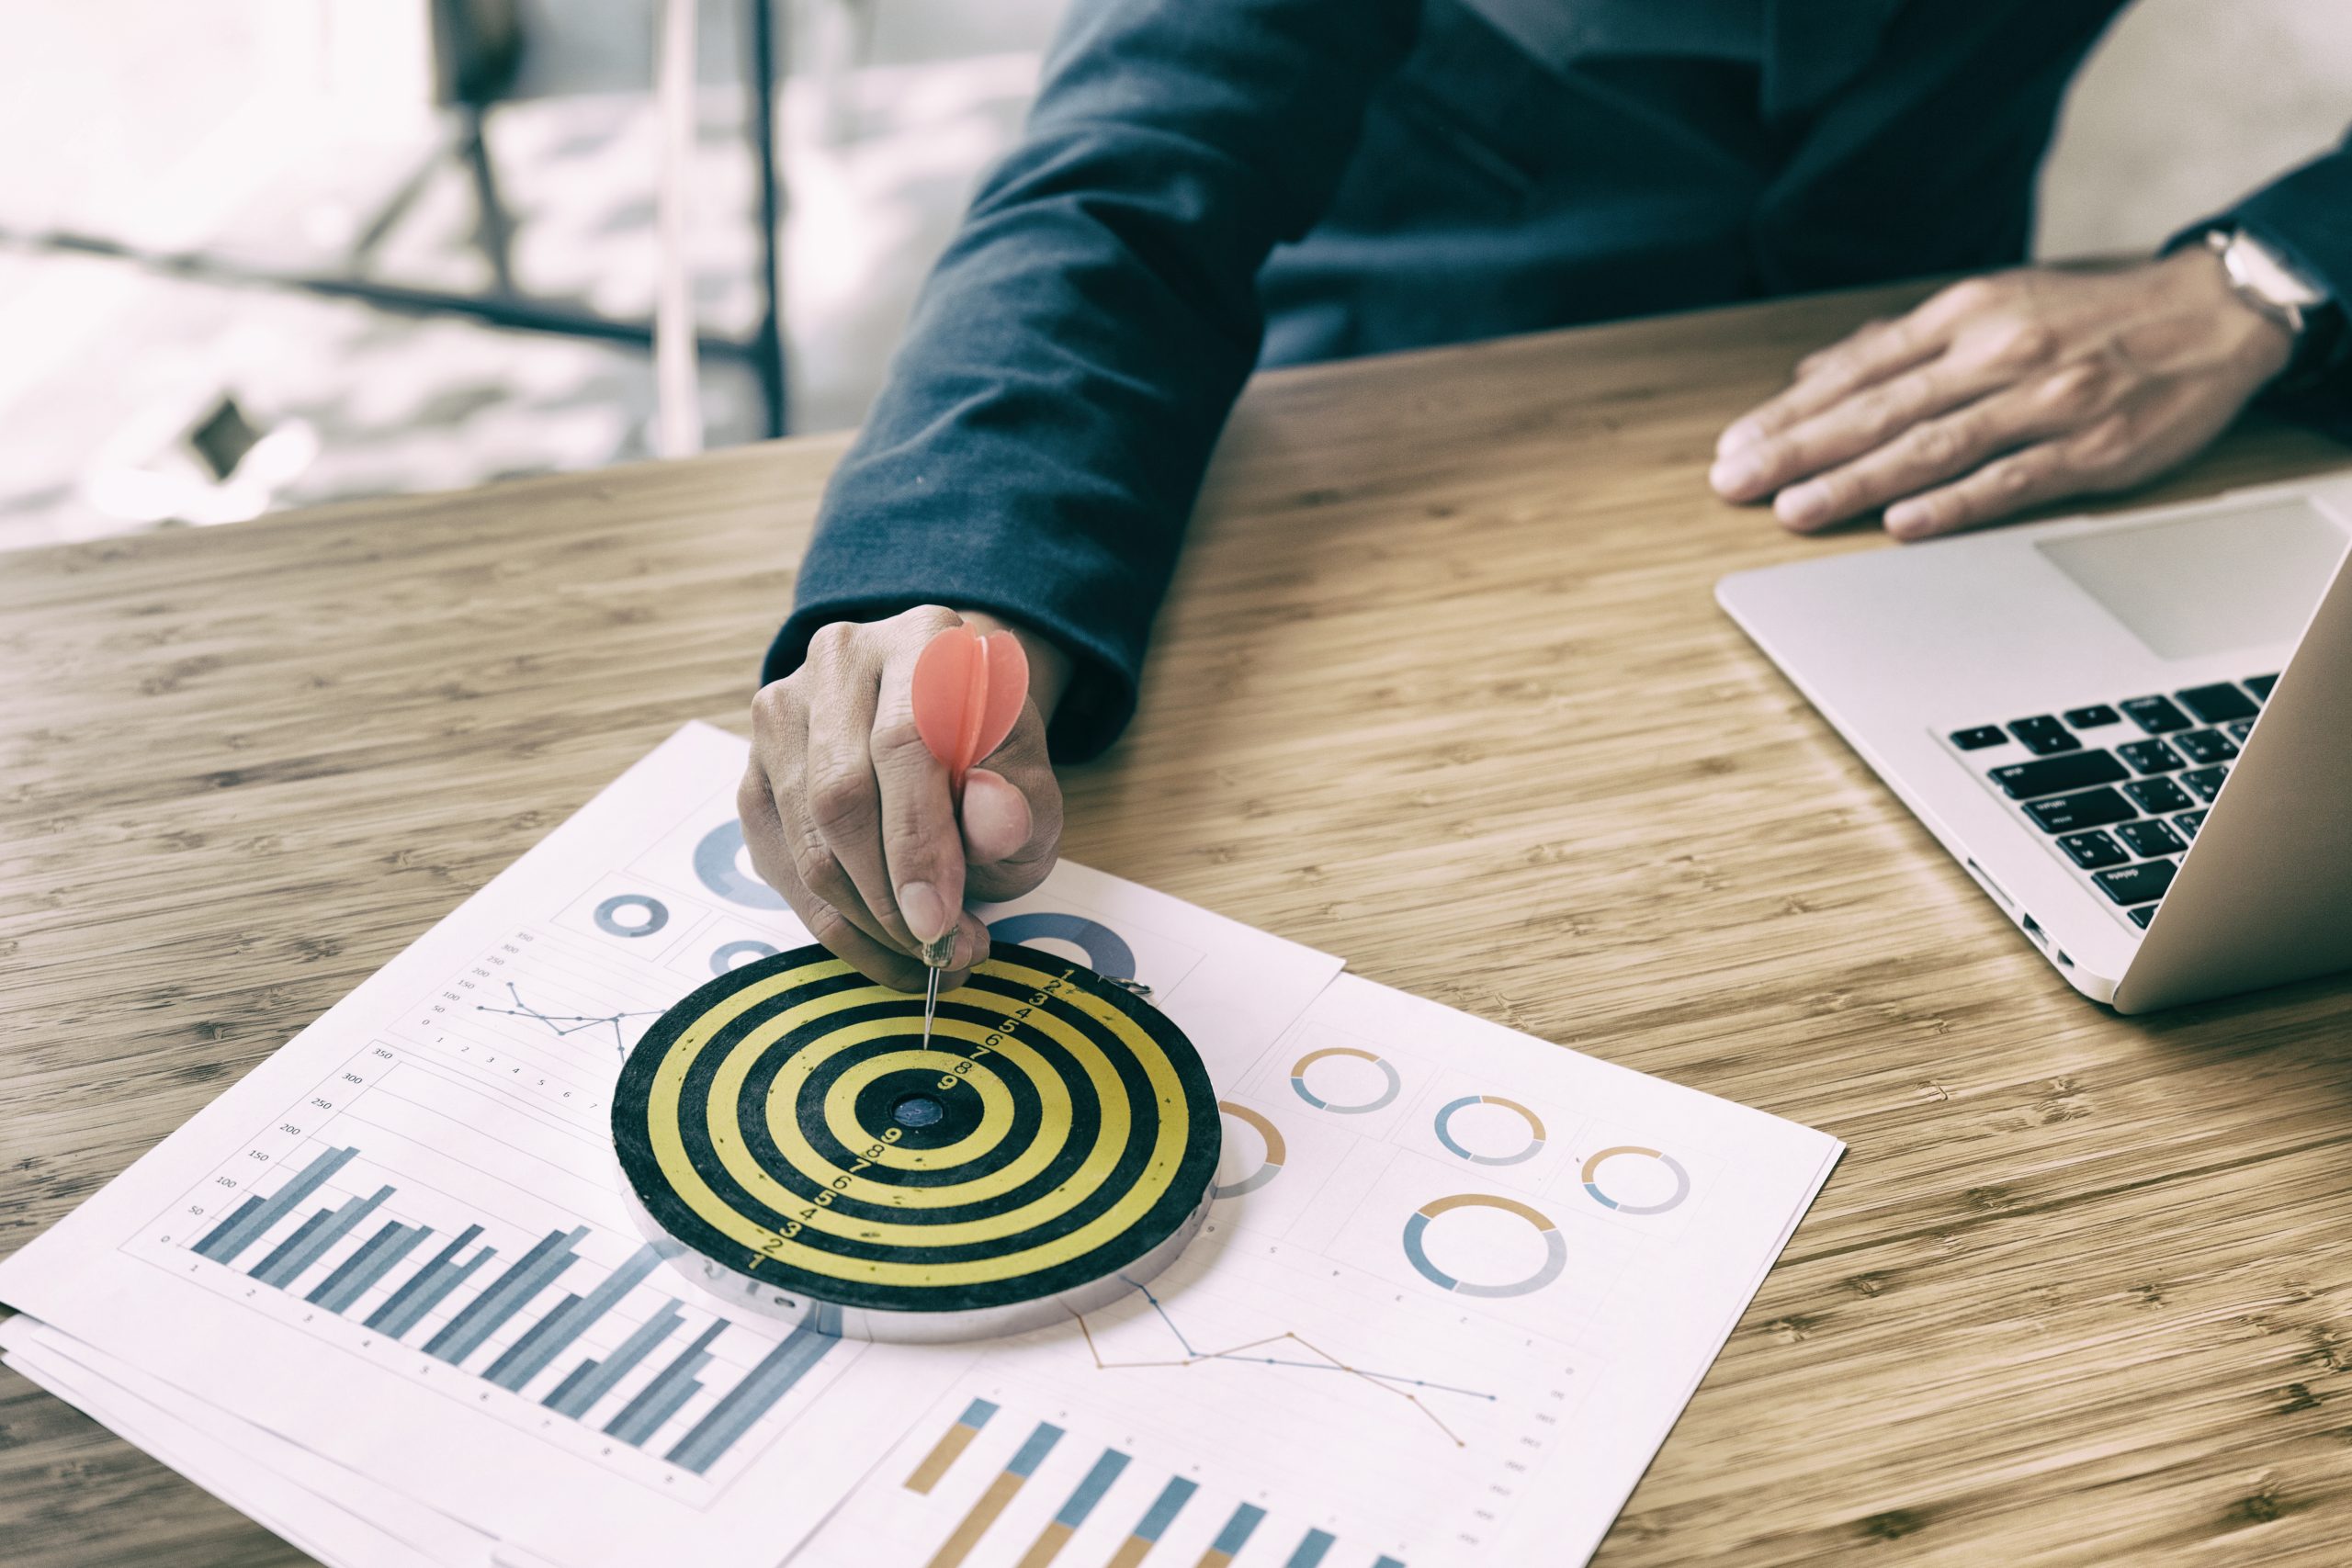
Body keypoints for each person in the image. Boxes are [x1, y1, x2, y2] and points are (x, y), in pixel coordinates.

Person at [738, 0, 2352, 988]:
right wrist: (961, 580)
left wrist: (2266, 277)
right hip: (1396, 396)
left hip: (1925, 392)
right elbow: (1128, 188)